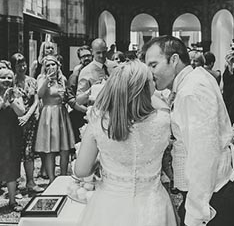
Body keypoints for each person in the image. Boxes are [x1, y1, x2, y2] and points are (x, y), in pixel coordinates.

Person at [144, 35, 234, 226]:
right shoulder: (196, 78)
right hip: (212, 195)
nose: (149, 72)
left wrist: (196, 214)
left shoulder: (191, 92)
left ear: (173, 60)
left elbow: (204, 155)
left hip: (213, 200)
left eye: (153, 65)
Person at [75, 60, 177, 226]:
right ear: (144, 89)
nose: (155, 83)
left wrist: (99, 162)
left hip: (109, 204)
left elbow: (81, 170)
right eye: (151, 80)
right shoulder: (163, 120)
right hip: (152, 205)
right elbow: (161, 106)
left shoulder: (99, 122)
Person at [0, 68, 26, 217]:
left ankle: (12, 201)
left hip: (12, 135)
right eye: (3, 78)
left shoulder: (16, 94)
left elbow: (21, 112)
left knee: (12, 168)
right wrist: (0, 103)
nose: (6, 80)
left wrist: (12, 100)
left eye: (9, 78)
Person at [35, 55, 75, 182]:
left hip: (61, 113)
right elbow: (39, 94)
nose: (51, 67)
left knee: (65, 148)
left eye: (53, 64)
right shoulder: (41, 78)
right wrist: (47, 80)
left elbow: (67, 96)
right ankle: (52, 180)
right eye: (48, 65)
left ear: (58, 66)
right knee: (49, 149)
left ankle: (63, 177)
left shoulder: (62, 79)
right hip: (48, 113)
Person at [10, 52, 43, 195]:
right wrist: (21, 116)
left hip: (30, 121)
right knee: (15, 153)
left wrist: (28, 116)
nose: (22, 67)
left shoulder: (32, 81)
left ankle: (31, 182)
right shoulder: (11, 81)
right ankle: (15, 185)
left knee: (29, 153)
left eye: (23, 64)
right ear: (13, 66)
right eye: (18, 65)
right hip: (15, 122)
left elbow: (36, 100)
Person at [76, 38, 118, 108]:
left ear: (107, 49)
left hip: (116, 110)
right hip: (97, 112)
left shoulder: (115, 67)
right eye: (98, 53)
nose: (101, 56)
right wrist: (91, 90)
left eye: (104, 52)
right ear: (92, 52)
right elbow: (79, 100)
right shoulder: (85, 71)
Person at [67, 45, 93, 142]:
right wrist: (86, 110)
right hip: (81, 113)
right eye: (83, 57)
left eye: (88, 55)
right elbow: (71, 99)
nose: (86, 58)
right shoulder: (75, 75)